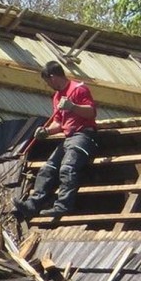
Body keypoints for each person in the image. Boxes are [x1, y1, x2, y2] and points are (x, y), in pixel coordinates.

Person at [14, 61, 97, 218]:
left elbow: (91, 113)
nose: (48, 85)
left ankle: (62, 206)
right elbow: (58, 123)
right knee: (48, 169)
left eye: (47, 81)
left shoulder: (79, 89)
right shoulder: (58, 97)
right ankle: (32, 205)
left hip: (83, 135)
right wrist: (46, 131)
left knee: (67, 168)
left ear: (52, 77)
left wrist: (72, 106)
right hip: (68, 138)